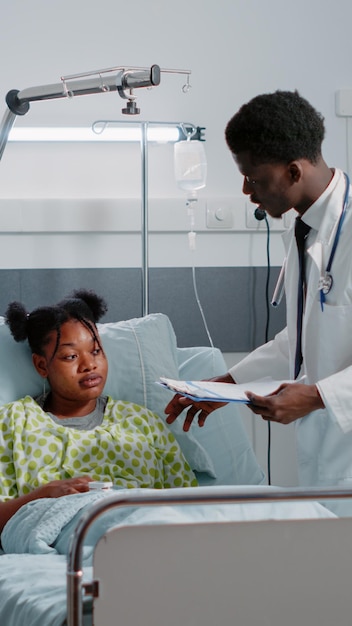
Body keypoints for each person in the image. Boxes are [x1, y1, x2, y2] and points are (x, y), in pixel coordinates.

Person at [165, 90, 352, 509]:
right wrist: (226, 385)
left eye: (254, 177)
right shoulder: (305, 230)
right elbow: (304, 336)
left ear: (292, 171)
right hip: (330, 460)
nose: (247, 190)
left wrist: (316, 396)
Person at [0, 289, 197, 532]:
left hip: (144, 531)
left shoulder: (142, 423)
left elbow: (190, 508)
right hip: (58, 537)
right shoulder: (13, 424)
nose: (89, 365)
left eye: (95, 351)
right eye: (71, 356)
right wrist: (42, 496)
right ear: (42, 365)